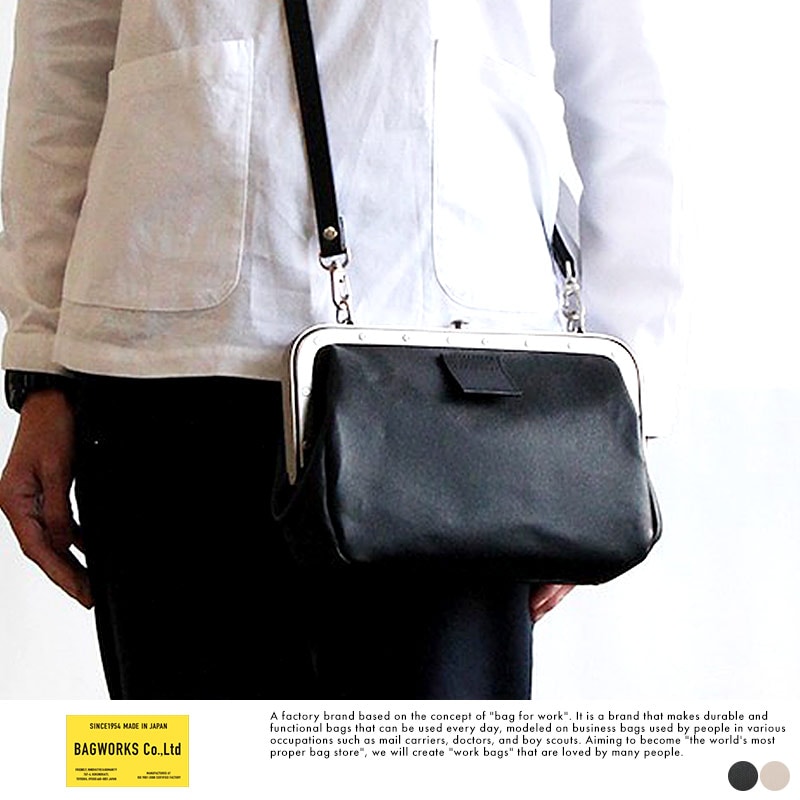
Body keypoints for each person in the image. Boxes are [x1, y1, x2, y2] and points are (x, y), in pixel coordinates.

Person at [0, 0, 682, 699]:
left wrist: (614, 406)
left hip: (455, 370)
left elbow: (625, 87)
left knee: (433, 750)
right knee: (199, 749)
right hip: (164, 345)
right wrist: (40, 367)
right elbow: (63, 58)